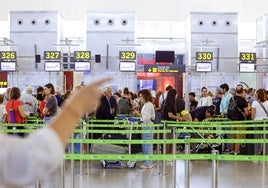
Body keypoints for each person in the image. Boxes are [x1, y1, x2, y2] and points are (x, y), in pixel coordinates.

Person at [0, 78, 110, 187]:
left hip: (16, 126)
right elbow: (27, 158)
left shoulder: (12, 103)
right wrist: (75, 108)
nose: (43, 90)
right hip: (23, 126)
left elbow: (21, 158)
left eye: (45, 88)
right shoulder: (27, 101)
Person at [133, 89, 155, 169]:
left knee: (147, 145)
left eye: (141, 97)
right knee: (145, 145)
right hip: (145, 126)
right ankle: (148, 162)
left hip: (147, 126)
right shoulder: (146, 104)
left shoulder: (148, 105)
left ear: (145, 96)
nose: (140, 99)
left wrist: (138, 114)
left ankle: (148, 163)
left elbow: (146, 118)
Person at [251, 88, 268, 155]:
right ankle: (266, 153)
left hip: (257, 121)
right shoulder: (267, 103)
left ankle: (257, 153)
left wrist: (253, 121)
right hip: (266, 122)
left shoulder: (254, 102)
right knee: (266, 139)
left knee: (257, 139)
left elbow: (253, 113)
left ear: (257, 95)